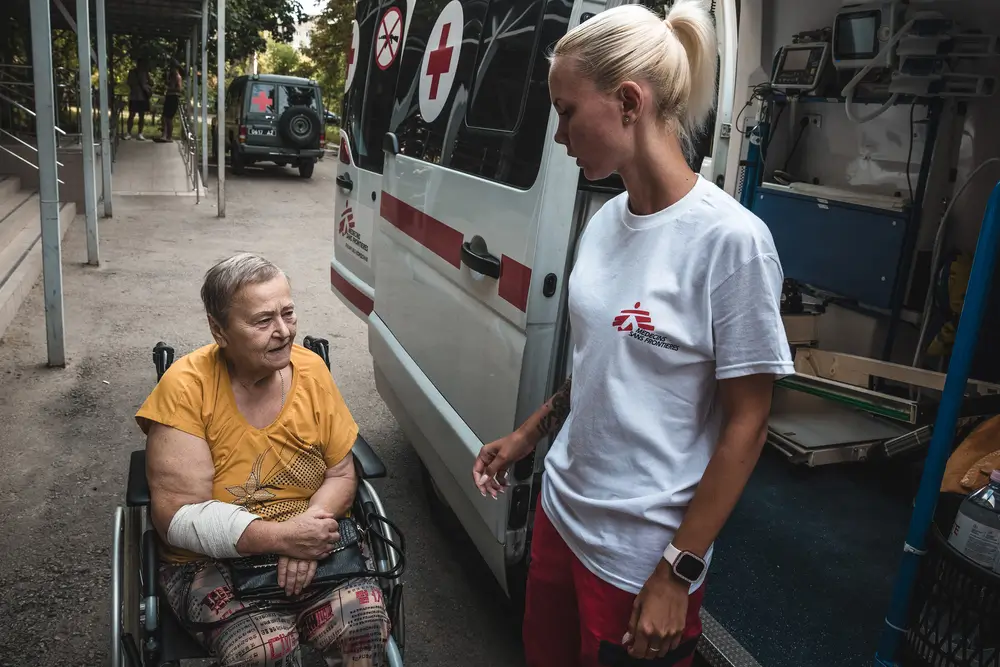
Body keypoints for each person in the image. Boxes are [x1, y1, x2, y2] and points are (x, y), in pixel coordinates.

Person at [472, 2, 794, 666]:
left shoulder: (732, 243)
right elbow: (601, 363)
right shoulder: (605, 223)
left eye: (566, 112)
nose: (559, 135)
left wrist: (678, 570)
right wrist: (529, 434)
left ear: (628, 102)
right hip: (561, 516)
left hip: (640, 559)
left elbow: (749, 423)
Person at [137, 253, 391, 667]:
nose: (284, 331)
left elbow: (342, 473)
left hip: (312, 535)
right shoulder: (185, 389)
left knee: (366, 620)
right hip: (212, 562)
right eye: (262, 321)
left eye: (287, 313)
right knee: (262, 650)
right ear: (219, 330)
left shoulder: (311, 372)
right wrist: (283, 538)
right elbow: (178, 518)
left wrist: (305, 536)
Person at [156, 63, 183, 143]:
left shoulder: (177, 77)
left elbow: (179, 89)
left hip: (173, 97)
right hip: (169, 97)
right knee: (164, 117)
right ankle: (164, 135)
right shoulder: (171, 77)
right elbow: (168, 84)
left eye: (172, 68)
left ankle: (169, 136)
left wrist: (170, 89)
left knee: (168, 118)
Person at [125, 58, 152, 140]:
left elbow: (151, 83)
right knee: (131, 115)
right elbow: (129, 83)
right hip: (134, 96)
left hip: (143, 97)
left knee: (141, 116)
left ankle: (140, 133)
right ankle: (128, 133)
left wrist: (146, 86)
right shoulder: (132, 72)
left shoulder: (145, 73)